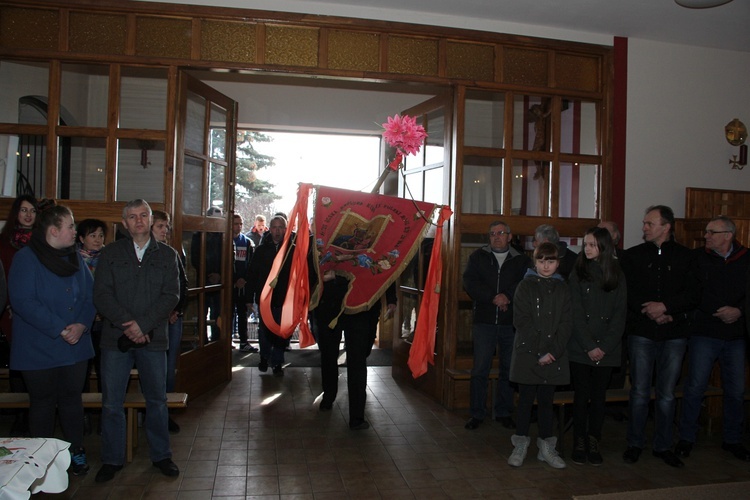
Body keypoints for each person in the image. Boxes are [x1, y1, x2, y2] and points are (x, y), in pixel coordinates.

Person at [93, 199, 180, 482]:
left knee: (156, 400)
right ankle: (112, 458)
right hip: (115, 339)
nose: (139, 221)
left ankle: (161, 455)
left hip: (153, 340)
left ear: (151, 218)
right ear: (124, 223)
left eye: (144, 215)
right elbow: (102, 295)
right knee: (111, 403)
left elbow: (171, 295)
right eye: (132, 216)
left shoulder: (167, 255)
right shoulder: (109, 254)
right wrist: (129, 325)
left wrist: (143, 325)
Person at [8, 204, 95, 476]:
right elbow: (23, 301)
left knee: (72, 401)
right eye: (71, 226)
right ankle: (41, 460)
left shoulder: (76, 258)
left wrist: (81, 325)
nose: (75, 230)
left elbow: (91, 296)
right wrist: (60, 328)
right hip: (39, 346)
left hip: (75, 344)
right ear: (54, 230)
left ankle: (75, 452)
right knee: (43, 403)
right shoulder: (26, 258)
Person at [620, 205, 699, 468]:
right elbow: (628, 293)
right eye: (644, 223)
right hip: (642, 331)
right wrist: (651, 310)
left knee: (666, 394)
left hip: (674, 333)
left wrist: (667, 309)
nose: (644, 228)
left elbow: (692, 294)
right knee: (640, 392)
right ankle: (635, 444)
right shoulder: (632, 256)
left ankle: (663, 445)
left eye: (649, 224)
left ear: (666, 227)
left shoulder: (687, 257)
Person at [675, 216, 750, 461]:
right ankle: (686, 438)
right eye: (706, 232)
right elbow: (691, 292)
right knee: (695, 387)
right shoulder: (698, 258)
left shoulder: (747, 258)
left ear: (728, 235)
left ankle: (732, 439)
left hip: (736, 335)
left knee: (736, 391)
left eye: (711, 232)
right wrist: (719, 310)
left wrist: (739, 311)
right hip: (704, 332)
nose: (706, 236)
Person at [507, 242, 572, 469]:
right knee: (525, 401)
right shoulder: (525, 286)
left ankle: (546, 447)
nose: (546, 266)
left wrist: (552, 351)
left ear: (557, 263)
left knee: (547, 402)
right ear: (535, 262)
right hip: (528, 353)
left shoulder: (563, 288)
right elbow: (521, 321)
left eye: (551, 261)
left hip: (554, 355)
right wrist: (540, 351)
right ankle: (521, 444)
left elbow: (566, 323)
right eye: (542, 261)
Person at [463, 221, 530, 430]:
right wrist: (493, 298)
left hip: (511, 323)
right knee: (480, 369)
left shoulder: (522, 260)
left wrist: (507, 297)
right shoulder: (477, 257)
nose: (496, 236)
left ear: (510, 236)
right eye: (492, 234)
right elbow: (470, 283)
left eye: (501, 233)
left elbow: (525, 283)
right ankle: (477, 414)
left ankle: (503, 412)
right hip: (484, 322)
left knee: (508, 369)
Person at [568, 227, 626, 466]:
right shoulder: (578, 271)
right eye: (585, 244)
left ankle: (594, 440)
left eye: (592, 244)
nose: (587, 249)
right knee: (581, 397)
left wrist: (605, 346)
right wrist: (590, 346)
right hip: (581, 347)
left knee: (598, 398)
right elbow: (575, 313)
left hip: (607, 349)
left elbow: (619, 314)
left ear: (604, 246)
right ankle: (579, 441)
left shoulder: (617, 273)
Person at [314, 273, 396, 430]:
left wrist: (391, 298)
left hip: (363, 306)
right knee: (329, 355)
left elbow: (384, 263)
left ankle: (357, 415)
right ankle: (329, 397)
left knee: (358, 359)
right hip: (330, 305)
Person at [0, 194, 38, 436]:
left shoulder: (43, 242)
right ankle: (20, 415)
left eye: (32, 211)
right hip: (8, 312)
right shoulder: (3, 242)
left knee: (34, 363)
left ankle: (34, 411)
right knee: (17, 363)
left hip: (35, 312)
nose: (28, 215)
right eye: (23, 210)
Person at [152, 210, 188, 434]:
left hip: (173, 319)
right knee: (153, 368)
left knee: (168, 369)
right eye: (160, 226)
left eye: (167, 226)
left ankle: (164, 415)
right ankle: (151, 413)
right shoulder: (138, 255)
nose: (165, 230)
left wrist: (176, 310)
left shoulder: (172, 254)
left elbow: (182, 285)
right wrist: (161, 313)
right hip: (153, 321)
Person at [247, 214, 292, 375]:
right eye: (274, 227)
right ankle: (264, 357)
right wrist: (248, 298)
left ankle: (277, 362)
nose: (277, 231)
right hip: (265, 298)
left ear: (286, 230)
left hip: (284, 298)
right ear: (269, 229)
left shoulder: (290, 251)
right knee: (264, 330)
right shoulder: (260, 250)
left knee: (280, 331)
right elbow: (252, 275)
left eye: (281, 227)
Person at [76, 218, 106, 434]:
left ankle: (106, 416)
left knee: (106, 371)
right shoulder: (73, 260)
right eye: (92, 235)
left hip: (105, 323)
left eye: (101, 235)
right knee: (82, 374)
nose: (97, 240)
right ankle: (82, 415)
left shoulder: (109, 258)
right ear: (81, 238)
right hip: (82, 324)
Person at [232, 214, 257, 353]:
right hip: (230, 284)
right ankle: (226, 339)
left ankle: (244, 341)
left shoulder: (247, 242)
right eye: (236, 223)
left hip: (243, 284)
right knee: (227, 313)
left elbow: (251, 264)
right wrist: (234, 279)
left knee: (242, 313)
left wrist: (244, 279)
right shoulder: (225, 240)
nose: (239, 226)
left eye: (240, 223)